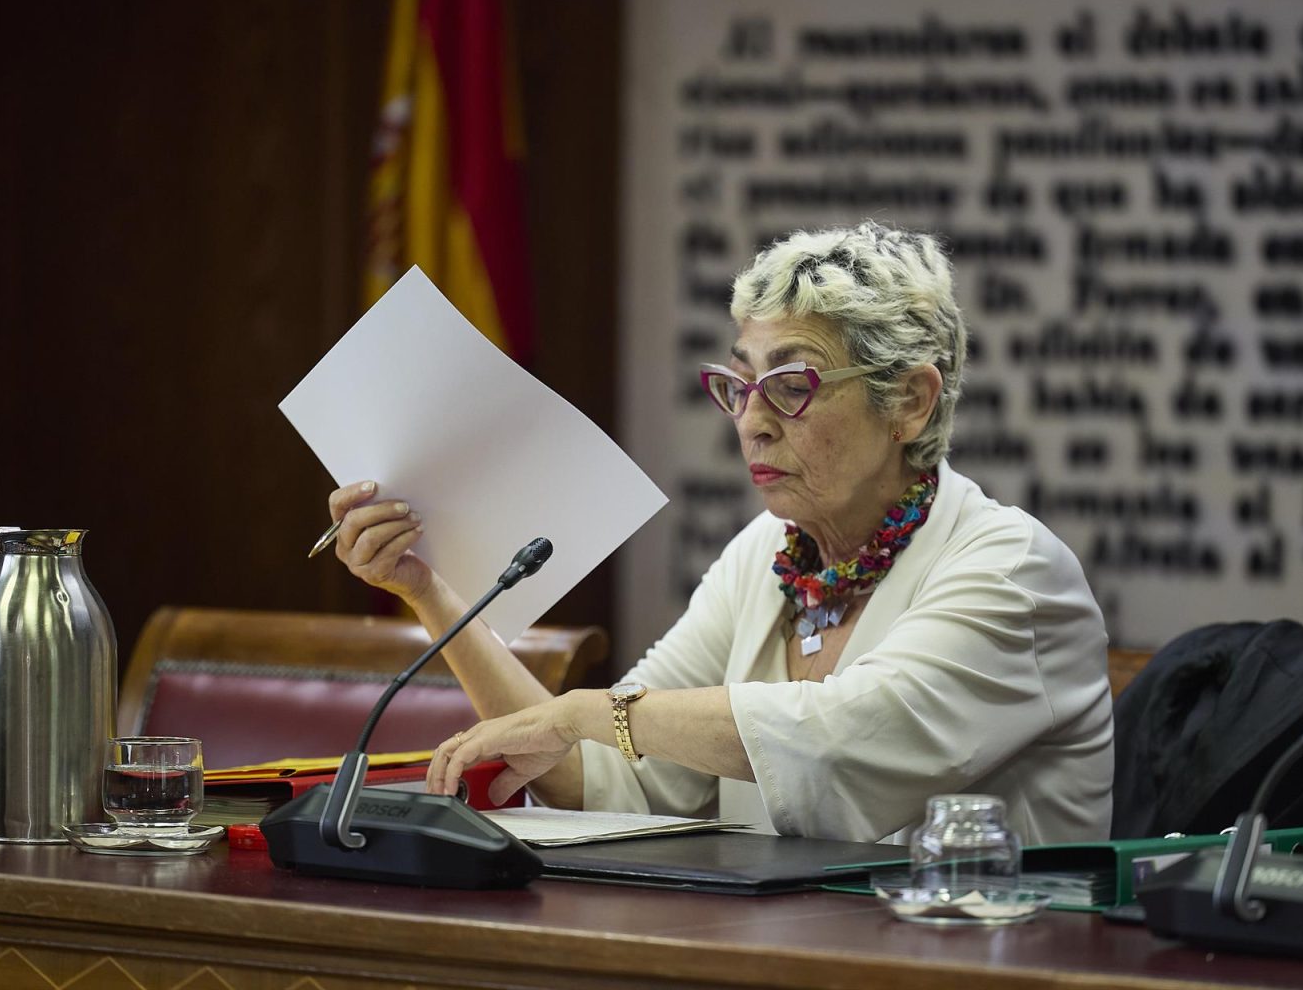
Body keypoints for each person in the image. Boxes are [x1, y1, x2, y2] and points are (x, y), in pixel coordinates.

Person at [330, 222, 1114, 845]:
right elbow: (602, 777)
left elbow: (838, 744)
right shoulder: (766, 555)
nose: (751, 422)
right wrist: (428, 590)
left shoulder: (1012, 570)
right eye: (740, 384)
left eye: (792, 385)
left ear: (909, 402)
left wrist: (582, 712)